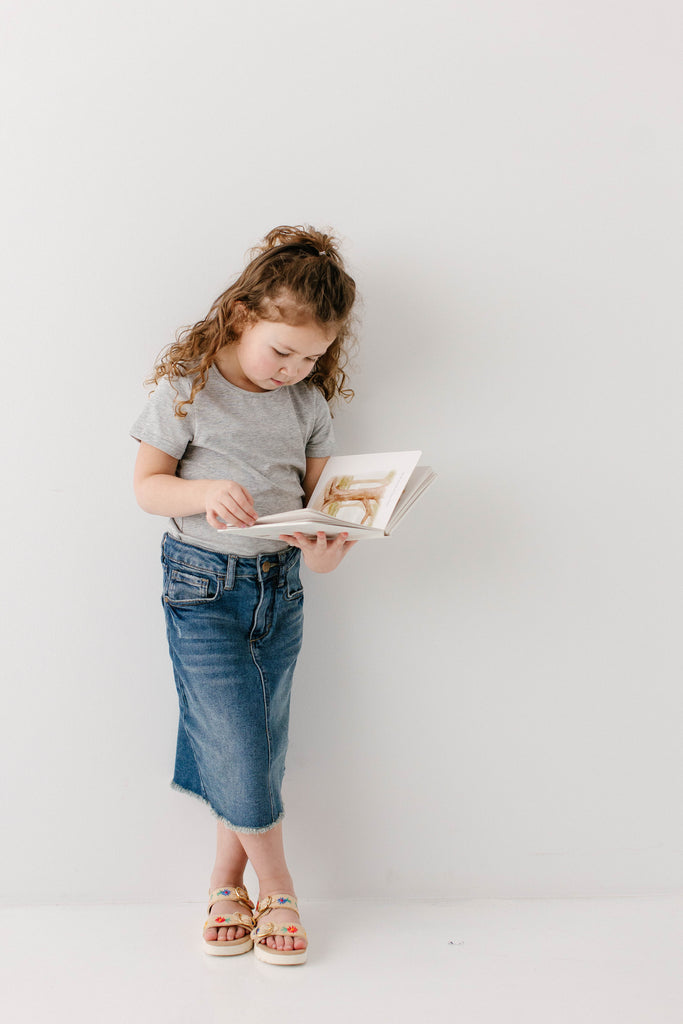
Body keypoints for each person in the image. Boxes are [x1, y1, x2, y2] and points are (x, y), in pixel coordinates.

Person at [130, 225, 358, 966]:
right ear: (240, 317)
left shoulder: (308, 404)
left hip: (280, 588)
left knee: (258, 743)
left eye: (312, 357)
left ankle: (225, 883)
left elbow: (322, 508)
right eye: (282, 351)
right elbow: (146, 488)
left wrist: (325, 551)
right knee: (233, 737)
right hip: (202, 586)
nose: (295, 370)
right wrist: (202, 492)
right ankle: (279, 886)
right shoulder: (188, 390)